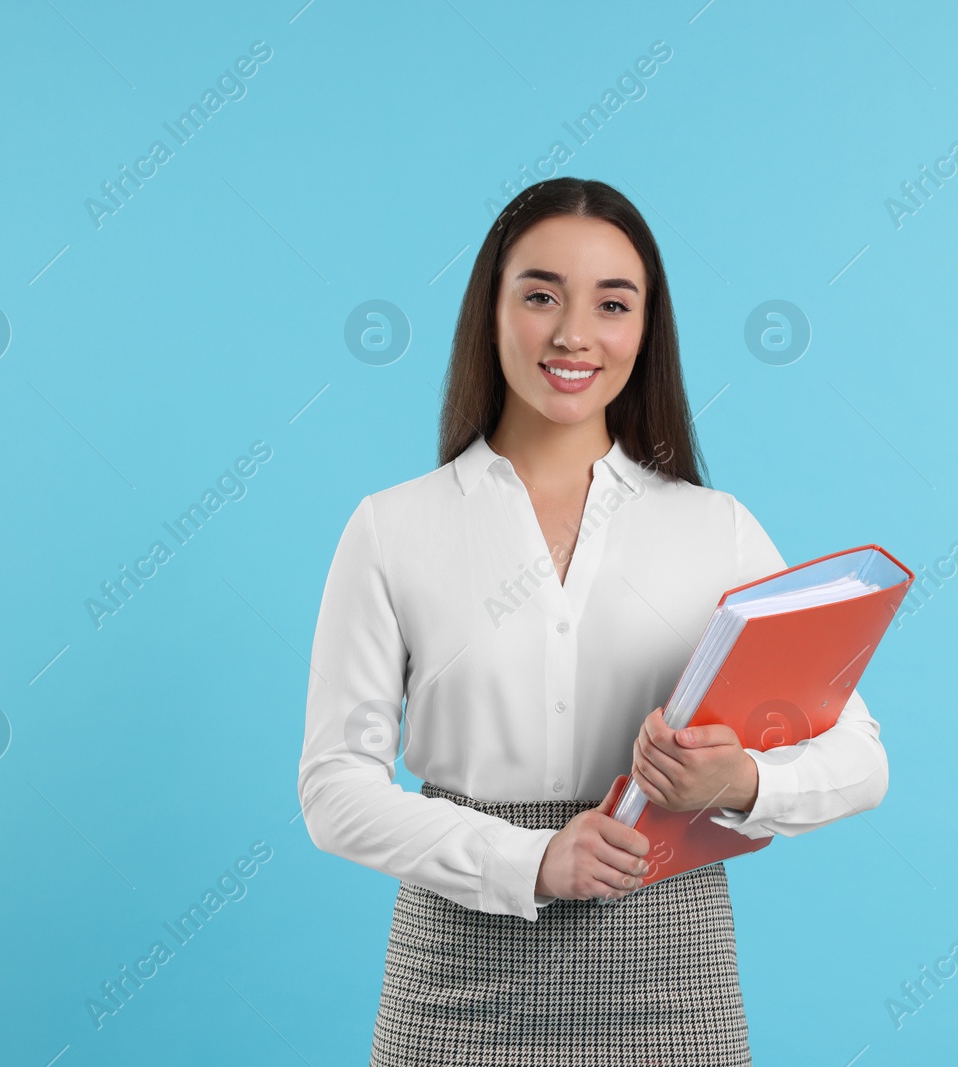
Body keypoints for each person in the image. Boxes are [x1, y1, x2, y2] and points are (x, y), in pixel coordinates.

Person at [297, 176, 890, 1066]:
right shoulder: (393, 528)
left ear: (645, 328)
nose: (575, 334)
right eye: (541, 295)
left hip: (667, 981)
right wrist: (528, 858)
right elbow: (335, 789)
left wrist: (738, 783)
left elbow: (861, 758)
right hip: (457, 978)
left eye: (613, 303)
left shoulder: (715, 528)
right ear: (489, 311)